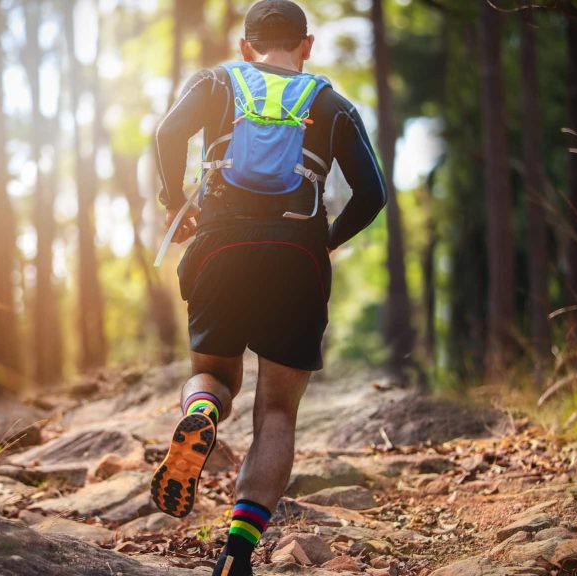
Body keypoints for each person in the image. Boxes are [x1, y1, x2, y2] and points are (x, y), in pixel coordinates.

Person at [151, 1, 387, 574]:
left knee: (215, 375)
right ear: (307, 46)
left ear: (245, 46)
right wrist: (322, 242)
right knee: (277, 411)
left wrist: (171, 201)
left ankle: (203, 411)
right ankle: (236, 555)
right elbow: (372, 194)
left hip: (219, 247)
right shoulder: (331, 103)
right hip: (295, 257)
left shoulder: (216, 81)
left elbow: (167, 132)